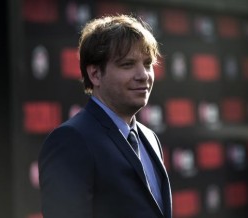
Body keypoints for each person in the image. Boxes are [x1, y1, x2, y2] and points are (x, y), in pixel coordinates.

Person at [38, 14, 172, 218]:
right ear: (95, 74)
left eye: (147, 64)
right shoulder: (70, 140)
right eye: (127, 64)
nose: (143, 75)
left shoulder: (150, 139)